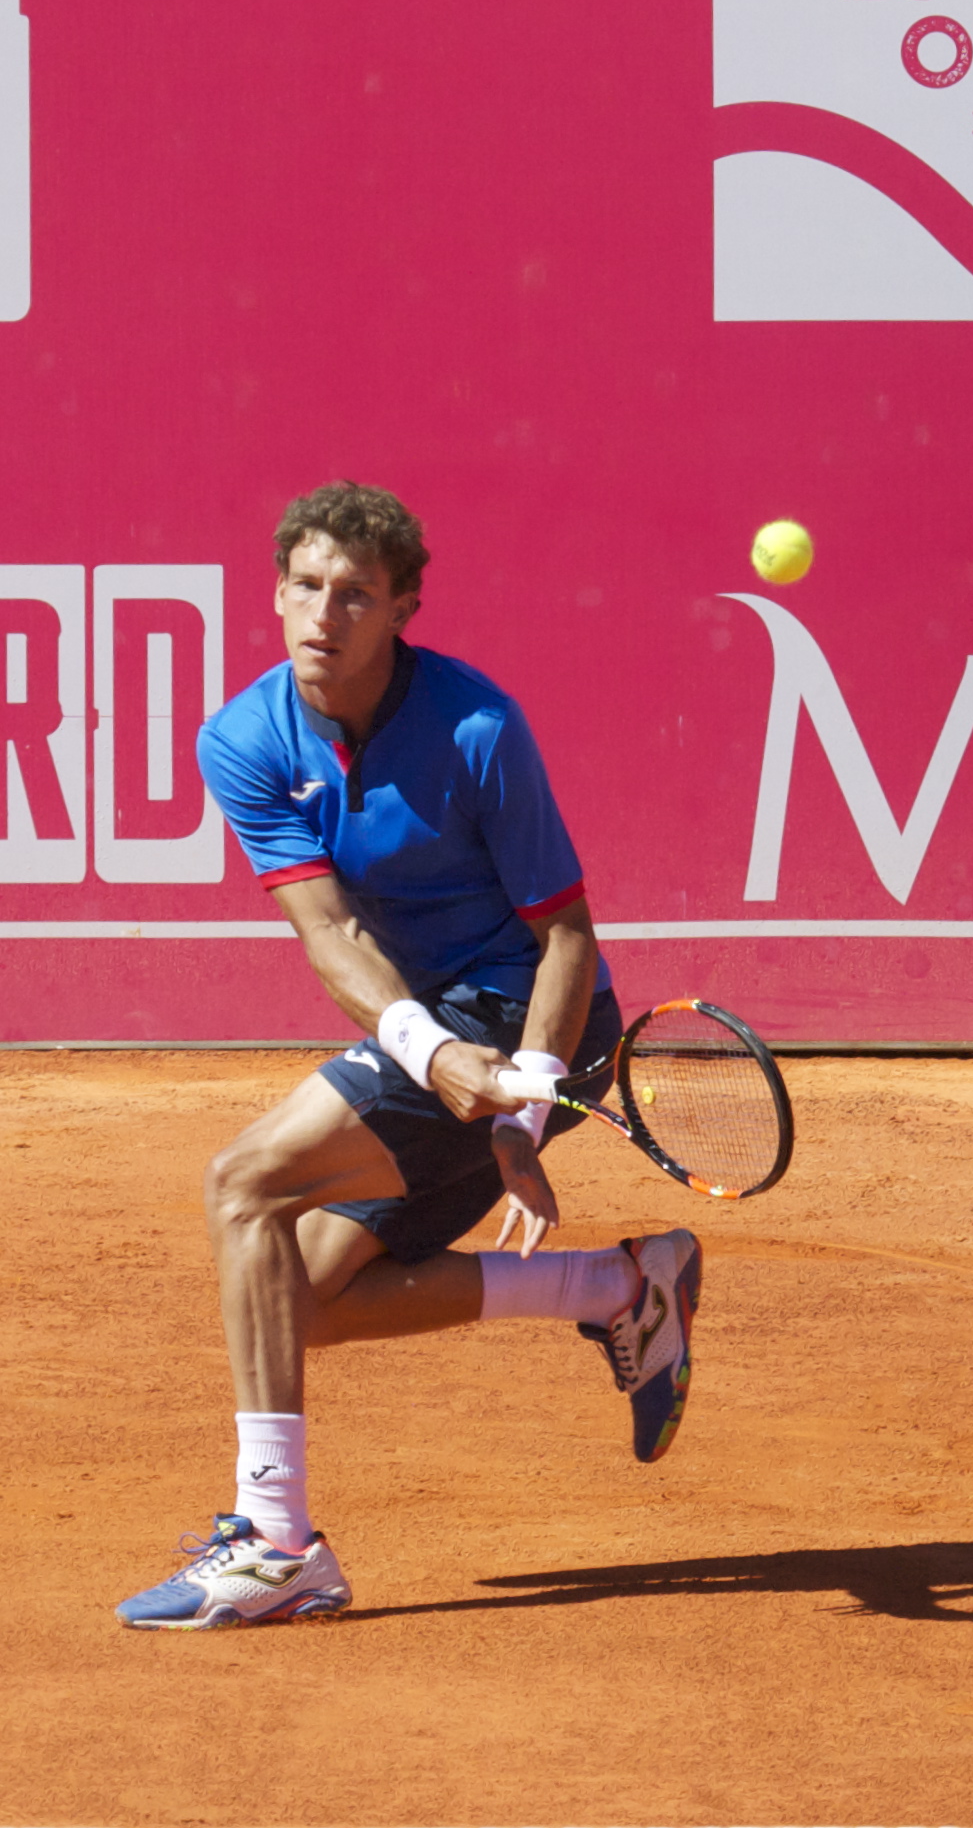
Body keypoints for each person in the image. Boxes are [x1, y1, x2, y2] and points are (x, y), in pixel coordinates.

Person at [115, 482, 701, 1630]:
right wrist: (431, 1055)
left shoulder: (478, 727)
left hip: (536, 1024)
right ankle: (618, 1288)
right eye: (305, 586)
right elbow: (329, 933)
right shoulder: (242, 739)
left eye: (355, 594)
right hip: (427, 1028)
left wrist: (525, 1108)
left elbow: (566, 936)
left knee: (243, 1184)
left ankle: (274, 1543)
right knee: (299, 1301)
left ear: (401, 610)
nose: (323, 614)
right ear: (276, 592)